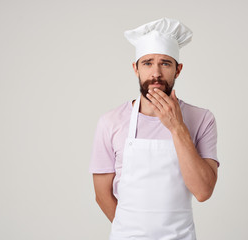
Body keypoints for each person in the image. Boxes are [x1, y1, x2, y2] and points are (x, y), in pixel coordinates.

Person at [89, 17, 219, 240]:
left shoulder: (201, 119)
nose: (156, 73)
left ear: (178, 70)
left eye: (165, 63)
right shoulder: (110, 122)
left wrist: (177, 127)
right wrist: (130, 230)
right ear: (135, 68)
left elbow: (203, 191)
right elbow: (102, 195)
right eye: (147, 63)